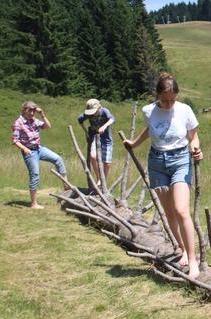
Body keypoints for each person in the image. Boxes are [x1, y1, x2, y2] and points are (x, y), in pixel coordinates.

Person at [123, 72, 203, 278]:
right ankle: (182, 248)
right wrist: (134, 143)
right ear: (157, 95)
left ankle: (193, 260)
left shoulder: (184, 110)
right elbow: (150, 130)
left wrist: (196, 148)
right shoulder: (148, 110)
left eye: (172, 100)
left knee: (181, 209)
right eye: (164, 100)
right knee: (169, 213)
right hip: (157, 162)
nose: (168, 105)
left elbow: (193, 135)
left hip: (180, 161)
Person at [12, 100, 68, 209]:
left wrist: (42, 114)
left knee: (58, 159)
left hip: (39, 149)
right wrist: (24, 148)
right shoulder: (18, 123)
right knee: (35, 175)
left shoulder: (34, 120)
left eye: (34, 111)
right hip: (29, 151)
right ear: (24, 110)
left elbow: (48, 126)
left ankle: (66, 186)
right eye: (30, 110)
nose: (32, 113)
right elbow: (15, 140)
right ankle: (34, 204)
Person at [77, 98, 115, 184]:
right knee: (93, 156)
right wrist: (86, 132)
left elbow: (112, 119)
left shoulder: (104, 111)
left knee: (107, 162)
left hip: (106, 138)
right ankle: (98, 178)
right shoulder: (88, 114)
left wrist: (104, 126)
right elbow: (80, 120)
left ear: (99, 108)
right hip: (95, 137)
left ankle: (103, 181)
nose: (93, 113)